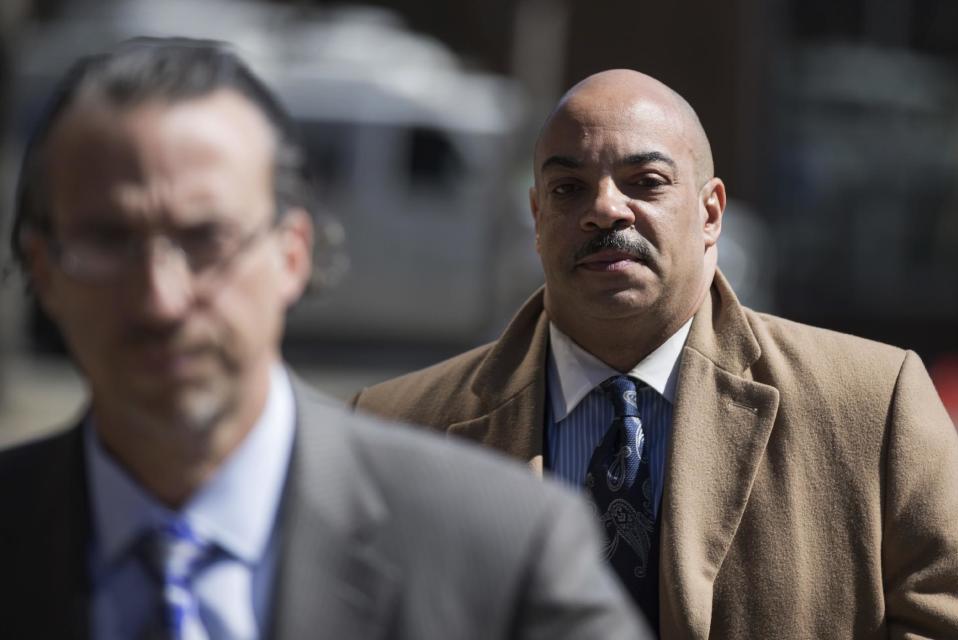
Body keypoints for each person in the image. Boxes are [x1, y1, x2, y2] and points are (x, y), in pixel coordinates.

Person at [0, 40, 648, 639]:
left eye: (206, 240)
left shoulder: (501, 550)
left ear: (293, 254)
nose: (161, 299)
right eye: (108, 242)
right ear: (43, 267)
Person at [354, 69, 958, 637]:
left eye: (646, 182)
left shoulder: (877, 403)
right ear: (538, 219)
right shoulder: (394, 430)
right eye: (569, 188)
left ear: (710, 212)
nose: (605, 209)